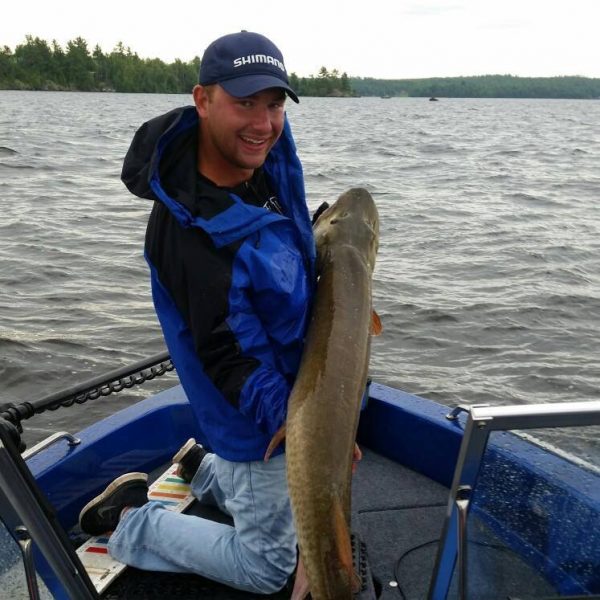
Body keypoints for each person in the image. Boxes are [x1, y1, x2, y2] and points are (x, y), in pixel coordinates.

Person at [78, 31, 316, 594]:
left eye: (274, 104)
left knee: (270, 495)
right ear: (202, 100)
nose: (264, 123)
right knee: (267, 569)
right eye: (245, 102)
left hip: (291, 383)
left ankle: (203, 471)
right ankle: (131, 521)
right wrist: (306, 434)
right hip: (254, 418)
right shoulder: (191, 236)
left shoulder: (258, 164)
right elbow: (229, 356)